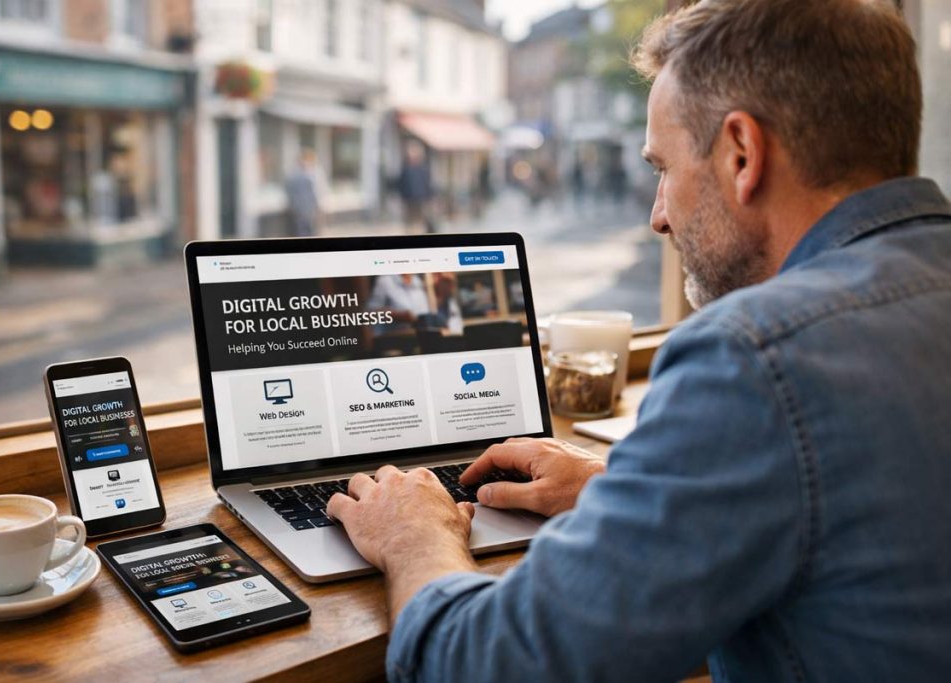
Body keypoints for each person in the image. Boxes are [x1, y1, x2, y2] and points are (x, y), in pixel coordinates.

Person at [326, 0, 951, 680]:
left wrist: (414, 536)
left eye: (662, 167)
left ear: (742, 154)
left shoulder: (755, 358)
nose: (658, 215)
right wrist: (620, 496)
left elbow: (489, 664)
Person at [397, 141, 436, 233]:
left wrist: (430, 199)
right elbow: (401, 185)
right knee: (410, 222)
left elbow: (428, 185)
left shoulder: (423, 169)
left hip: (421, 200)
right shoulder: (405, 169)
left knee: (420, 221)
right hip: (409, 200)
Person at [284, 148, 320, 237]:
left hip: (302, 210)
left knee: (304, 232)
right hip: (304, 210)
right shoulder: (306, 176)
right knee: (305, 232)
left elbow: (289, 193)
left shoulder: (294, 175)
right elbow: (314, 193)